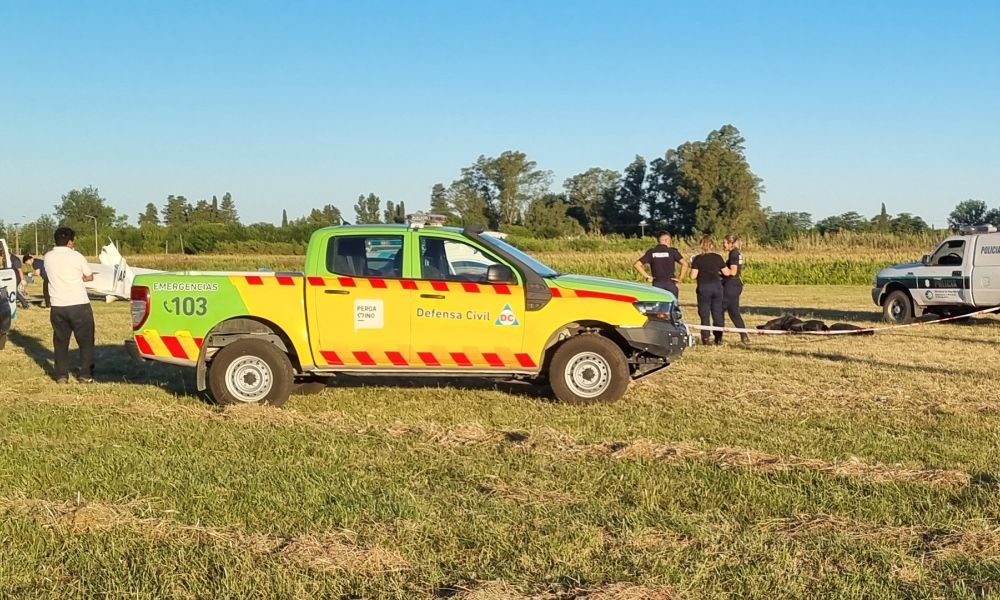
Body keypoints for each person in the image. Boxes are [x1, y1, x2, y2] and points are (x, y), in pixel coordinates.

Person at [43, 227, 95, 383]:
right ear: (70, 241)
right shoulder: (76, 256)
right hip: (78, 304)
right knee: (85, 341)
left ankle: (61, 375)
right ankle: (85, 374)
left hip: (58, 305)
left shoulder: (48, 257)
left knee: (60, 341)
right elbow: (89, 276)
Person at [689, 235, 726, 345]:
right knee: (717, 313)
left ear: (701, 246)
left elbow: (692, 276)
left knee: (704, 314)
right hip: (717, 287)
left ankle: (705, 337)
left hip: (704, 287)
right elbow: (727, 272)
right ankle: (718, 338)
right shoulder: (718, 257)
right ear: (712, 245)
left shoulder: (697, 259)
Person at [633, 231, 688, 299]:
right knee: (672, 307)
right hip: (670, 283)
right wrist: (680, 278)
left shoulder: (651, 252)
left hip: (657, 283)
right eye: (670, 240)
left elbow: (637, 265)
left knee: (657, 307)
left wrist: (647, 277)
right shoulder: (672, 251)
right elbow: (685, 264)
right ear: (666, 240)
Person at [722, 234, 750, 343]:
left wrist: (721, 271)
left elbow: (732, 272)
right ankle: (744, 336)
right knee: (733, 312)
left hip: (731, 285)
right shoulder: (736, 253)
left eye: (724, 243)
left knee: (719, 309)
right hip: (736, 284)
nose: (723, 245)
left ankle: (717, 336)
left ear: (730, 243)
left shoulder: (733, 254)